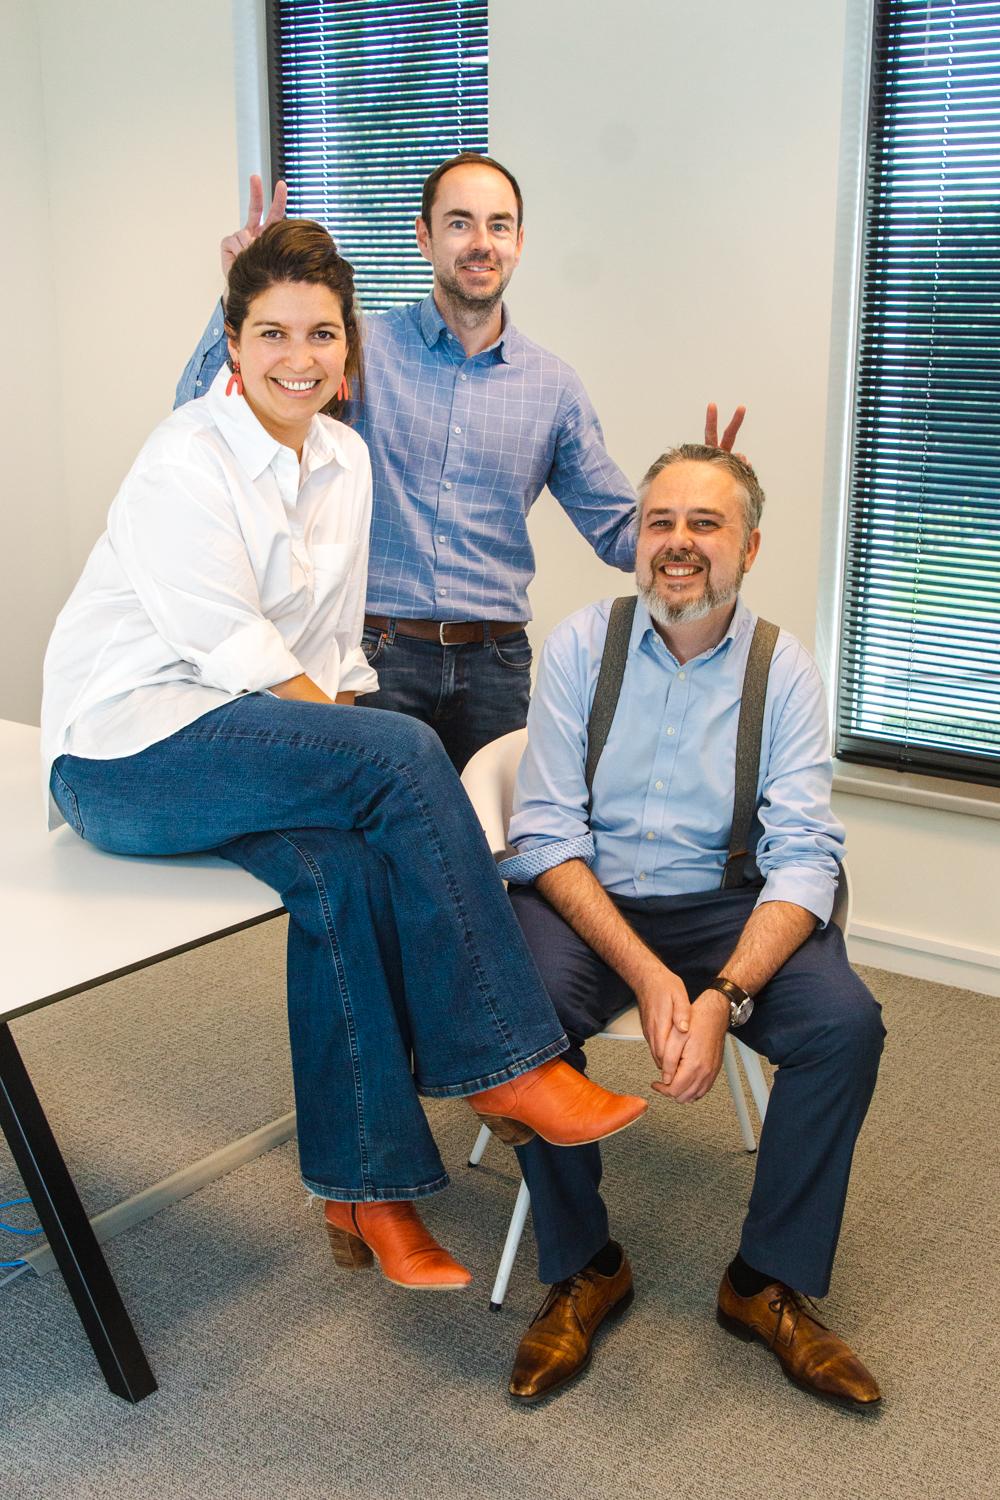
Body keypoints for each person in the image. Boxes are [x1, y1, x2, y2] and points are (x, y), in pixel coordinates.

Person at [41, 220, 648, 1294]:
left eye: (322, 333)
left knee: (346, 871)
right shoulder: (184, 455)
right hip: (125, 754)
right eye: (271, 333)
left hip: (241, 742)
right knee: (400, 755)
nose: (299, 357)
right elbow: (237, 650)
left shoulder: (344, 459)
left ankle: (366, 1192)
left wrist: (352, 751)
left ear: (348, 347)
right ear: (233, 345)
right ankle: (508, 1062)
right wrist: (365, 755)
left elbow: (329, 649)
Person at [496, 444, 885, 1403]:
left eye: (705, 523)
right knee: (519, 1007)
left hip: (727, 904)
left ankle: (765, 1281)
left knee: (845, 1027)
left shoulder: (783, 669)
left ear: (749, 547)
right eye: (660, 521)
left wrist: (725, 994)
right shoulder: (582, 645)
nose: (678, 542)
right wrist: (647, 973)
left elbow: (805, 855)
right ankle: (585, 1266)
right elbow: (544, 833)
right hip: (590, 895)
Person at [176, 160, 745, 769]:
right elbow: (205, 413)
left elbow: (618, 533)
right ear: (424, 237)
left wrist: (702, 506)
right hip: (375, 654)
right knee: (369, 822)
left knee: (492, 821)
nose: (481, 242)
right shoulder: (355, 348)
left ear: (519, 243)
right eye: (459, 223)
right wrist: (241, 295)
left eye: (498, 225)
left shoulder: (553, 388)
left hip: (494, 668)